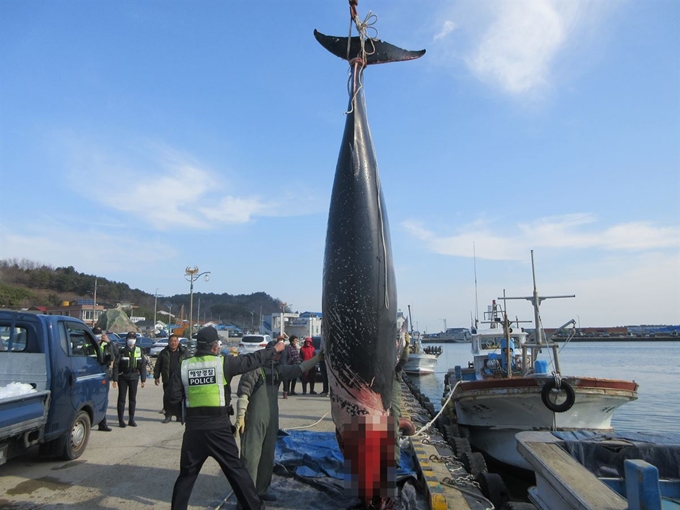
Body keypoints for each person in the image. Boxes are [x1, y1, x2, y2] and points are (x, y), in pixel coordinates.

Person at [171, 326, 285, 510]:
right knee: (237, 472)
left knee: (186, 476)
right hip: (219, 429)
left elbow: (171, 399)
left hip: (193, 430)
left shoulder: (184, 366)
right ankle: (254, 507)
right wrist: (275, 350)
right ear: (215, 346)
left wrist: (182, 415)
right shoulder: (222, 363)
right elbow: (251, 360)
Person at [235, 340, 323, 501]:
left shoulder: (277, 371)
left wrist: (318, 359)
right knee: (251, 458)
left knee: (267, 457)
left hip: (271, 420)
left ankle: (261, 490)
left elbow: (299, 368)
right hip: (254, 419)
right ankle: (246, 498)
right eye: (277, 353)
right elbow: (244, 392)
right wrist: (240, 416)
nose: (278, 356)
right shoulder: (254, 370)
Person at [113, 332, 146, 427]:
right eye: (130, 338)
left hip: (134, 377)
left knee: (132, 399)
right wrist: (115, 379)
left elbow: (142, 365)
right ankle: (121, 420)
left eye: (133, 338)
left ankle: (131, 419)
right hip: (123, 377)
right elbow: (116, 365)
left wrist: (143, 379)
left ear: (136, 339)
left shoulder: (139, 350)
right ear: (126, 339)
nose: (131, 340)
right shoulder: (122, 351)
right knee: (121, 399)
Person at [154, 334, 187, 423]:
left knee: (180, 398)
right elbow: (158, 365)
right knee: (167, 398)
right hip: (167, 379)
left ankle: (179, 416)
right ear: (168, 342)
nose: (173, 343)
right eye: (171, 341)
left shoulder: (183, 352)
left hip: (180, 379)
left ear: (178, 342)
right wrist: (156, 377)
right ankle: (168, 415)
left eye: (175, 341)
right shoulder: (163, 352)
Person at [94, 327, 118, 432]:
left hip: (103, 373)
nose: (98, 336)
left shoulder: (106, 345)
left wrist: (109, 343)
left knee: (103, 399)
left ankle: (102, 423)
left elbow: (114, 355)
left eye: (100, 334)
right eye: (96, 334)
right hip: (91, 373)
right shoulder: (88, 344)